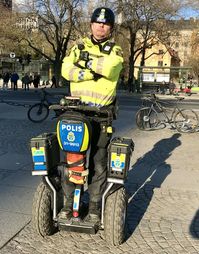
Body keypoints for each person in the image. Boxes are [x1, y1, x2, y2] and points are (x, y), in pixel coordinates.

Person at [61, 7, 123, 222]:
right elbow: (65, 70)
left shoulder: (115, 50)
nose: (101, 26)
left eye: (105, 24)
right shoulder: (78, 46)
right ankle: (69, 206)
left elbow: (112, 68)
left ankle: (95, 207)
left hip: (101, 115)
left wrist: (83, 64)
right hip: (77, 113)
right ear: (91, 24)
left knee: (98, 163)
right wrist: (91, 71)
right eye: (97, 22)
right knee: (74, 161)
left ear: (110, 28)